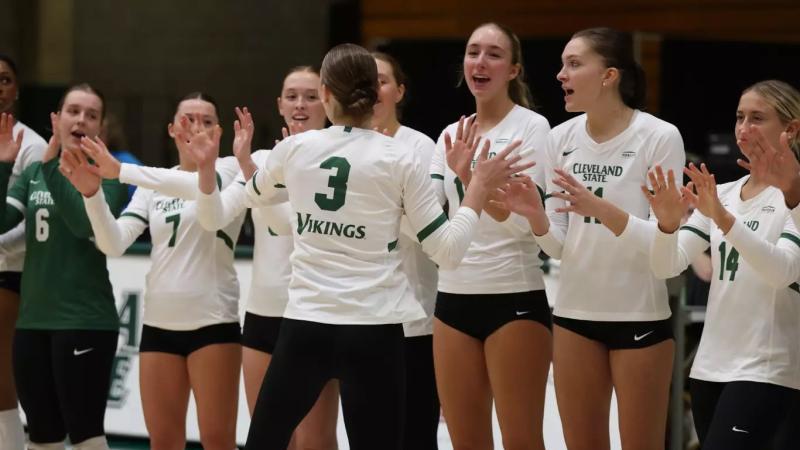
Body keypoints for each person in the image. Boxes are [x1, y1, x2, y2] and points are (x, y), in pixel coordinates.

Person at [187, 43, 530, 450]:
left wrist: (234, 170)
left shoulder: (294, 149)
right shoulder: (401, 158)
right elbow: (448, 252)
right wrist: (476, 190)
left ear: (327, 95)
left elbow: (250, 198)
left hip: (305, 325)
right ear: (374, 93)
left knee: (264, 442)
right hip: (375, 332)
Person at [497, 27, 685, 450]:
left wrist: (599, 208)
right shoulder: (560, 139)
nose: (561, 74)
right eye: (563, 65)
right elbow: (560, 247)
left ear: (609, 76)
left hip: (640, 319)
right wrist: (536, 219)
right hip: (573, 317)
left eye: (575, 64)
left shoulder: (659, 136)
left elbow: (664, 251)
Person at [73, 92, 244, 450]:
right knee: (163, 442)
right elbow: (114, 244)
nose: (197, 127)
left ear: (219, 132)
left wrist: (122, 172)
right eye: (187, 119)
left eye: (207, 121)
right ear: (171, 129)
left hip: (212, 323)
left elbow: (199, 188)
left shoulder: (230, 170)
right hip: (158, 326)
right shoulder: (153, 185)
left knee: (218, 441)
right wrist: (93, 196)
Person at [646, 79, 800, 450]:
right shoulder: (724, 193)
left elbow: (782, 272)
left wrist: (724, 220)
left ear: (791, 129)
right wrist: (667, 225)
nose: (744, 129)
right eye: (739, 117)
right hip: (710, 366)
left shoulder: (793, 197)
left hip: (766, 368)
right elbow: (666, 266)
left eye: (757, 118)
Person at [427, 23, 552, 450]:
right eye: (473, 52)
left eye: (494, 54)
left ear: (514, 70)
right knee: (466, 442)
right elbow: (440, 224)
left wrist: (472, 180)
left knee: (521, 441)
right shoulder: (449, 135)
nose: (481, 62)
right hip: (452, 299)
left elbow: (526, 225)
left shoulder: (532, 128)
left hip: (512, 297)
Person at [0, 84, 127, 450]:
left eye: (91, 114)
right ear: (57, 118)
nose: (81, 120)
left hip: (84, 321)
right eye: (73, 111)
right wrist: (4, 166)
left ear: (100, 127)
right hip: (32, 321)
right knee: (42, 436)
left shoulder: (108, 173)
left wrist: (52, 167)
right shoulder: (35, 173)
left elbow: (82, 224)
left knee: (85, 434)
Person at [370, 50, 441, 450]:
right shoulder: (343, 145)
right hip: (361, 318)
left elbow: (426, 230)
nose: (373, 88)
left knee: (415, 435)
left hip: (412, 321)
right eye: (365, 80)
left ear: (399, 90)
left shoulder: (421, 147)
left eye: (381, 80)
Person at [0, 53, 46, 450]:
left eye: (4, 79)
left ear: (15, 89)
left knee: (1, 381)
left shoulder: (33, 146)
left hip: (9, 273)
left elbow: (30, 225)